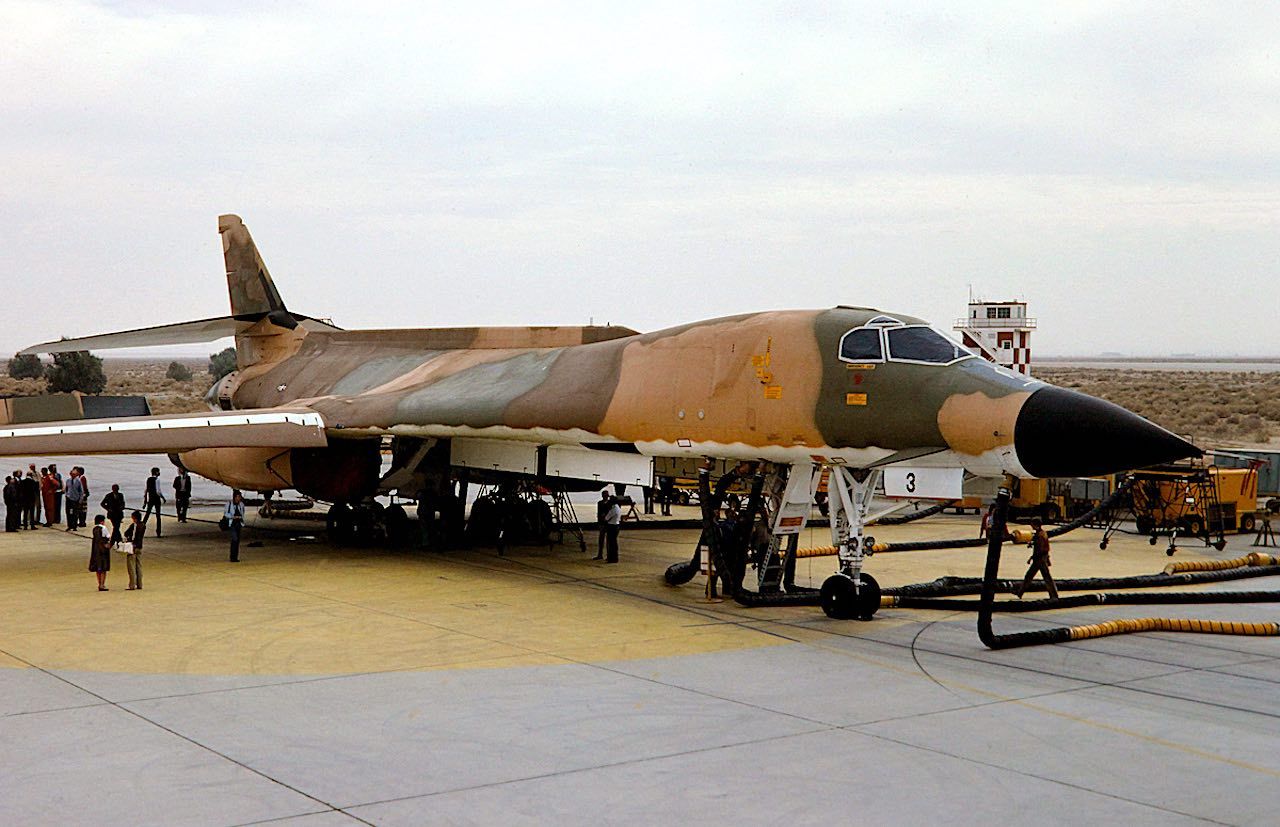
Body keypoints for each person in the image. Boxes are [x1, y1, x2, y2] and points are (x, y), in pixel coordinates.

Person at [1013, 519, 1058, 600]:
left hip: (1040, 560)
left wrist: (1032, 557)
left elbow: (1041, 549)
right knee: (1030, 576)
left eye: (1032, 525)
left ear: (1035, 525)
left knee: (1045, 577)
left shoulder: (1040, 535)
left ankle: (1054, 595)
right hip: (1040, 559)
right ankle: (1020, 592)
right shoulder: (1041, 533)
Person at [123, 510, 145, 590]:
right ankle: (140, 584)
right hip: (139, 546)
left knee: (131, 566)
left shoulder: (134, 525)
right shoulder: (143, 525)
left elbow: (127, 533)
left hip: (132, 546)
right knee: (138, 565)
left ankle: (132, 584)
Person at [88, 514, 111, 591]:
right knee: (103, 568)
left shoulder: (94, 529)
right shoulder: (103, 528)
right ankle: (102, 584)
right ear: (102, 521)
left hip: (96, 549)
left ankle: (99, 584)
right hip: (103, 549)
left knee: (98, 568)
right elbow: (108, 536)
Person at [143, 466, 165, 537]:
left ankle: (141, 529)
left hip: (151, 498)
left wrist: (145, 500)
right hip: (156, 499)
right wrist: (163, 498)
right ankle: (158, 532)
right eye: (158, 471)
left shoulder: (148, 479)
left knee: (147, 514)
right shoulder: (157, 480)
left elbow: (146, 490)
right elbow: (158, 491)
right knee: (158, 516)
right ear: (156, 472)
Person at [225, 490, 246, 562]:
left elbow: (243, 513)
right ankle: (232, 557)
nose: (239, 498)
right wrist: (232, 517)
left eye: (240, 497)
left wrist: (241, 518)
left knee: (237, 541)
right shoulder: (229, 504)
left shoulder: (241, 504)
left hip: (239, 523)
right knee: (235, 539)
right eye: (238, 497)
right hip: (232, 523)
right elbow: (226, 514)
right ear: (234, 497)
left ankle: (235, 557)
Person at [603, 495, 622, 563]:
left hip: (612, 526)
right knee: (614, 543)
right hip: (616, 525)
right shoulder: (618, 508)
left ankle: (612, 558)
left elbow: (606, 518)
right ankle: (614, 557)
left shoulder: (613, 509)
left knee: (611, 543)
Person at [594, 490, 611, 560]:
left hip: (608, 523)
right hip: (602, 523)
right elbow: (599, 513)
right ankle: (600, 554)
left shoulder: (610, 503)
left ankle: (608, 555)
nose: (605, 497)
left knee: (608, 540)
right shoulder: (600, 503)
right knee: (601, 540)